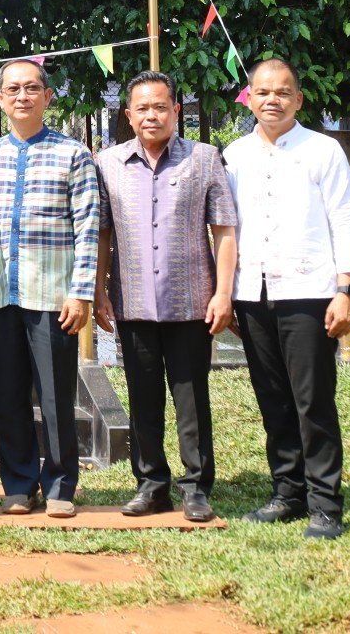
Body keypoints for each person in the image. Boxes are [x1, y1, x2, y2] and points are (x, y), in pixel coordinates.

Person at [224, 58, 350, 540]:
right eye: (262, 92)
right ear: (249, 97)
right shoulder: (234, 154)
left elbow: (345, 218)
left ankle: (326, 504)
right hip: (253, 294)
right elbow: (224, 228)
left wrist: (347, 290)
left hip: (309, 292)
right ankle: (288, 492)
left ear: (298, 100)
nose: (272, 100)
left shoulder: (323, 150)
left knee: (313, 401)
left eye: (283, 92)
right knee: (274, 400)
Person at [92, 70, 238, 523]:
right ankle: (151, 484)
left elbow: (225, 230)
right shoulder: (109, 163)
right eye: (142, 108)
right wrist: (99, 292)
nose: (151, 115)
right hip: (133, 302)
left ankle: (196, 487)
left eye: (161, 106)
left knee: (191, 397)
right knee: (142, 397)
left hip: (192, 302)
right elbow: (103, 233)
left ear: (176, 110)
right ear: (128, 114)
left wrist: (224, 294)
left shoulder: (204, 158)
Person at [0, 58, 99, 518]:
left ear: (47, 97)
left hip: (53, 294)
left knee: (54, 395)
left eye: (31, 88)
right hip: (3, 294)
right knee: (8, 394)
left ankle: (62, 483)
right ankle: (20, 483)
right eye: (12, 89)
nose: (22, 96)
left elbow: (88, 226)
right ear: (0, 99)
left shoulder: (73, 154)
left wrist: (81, 290)